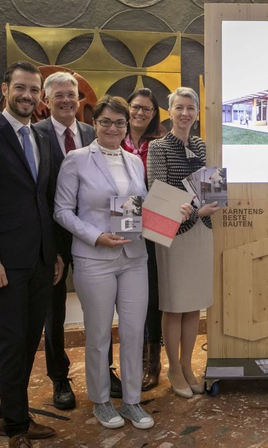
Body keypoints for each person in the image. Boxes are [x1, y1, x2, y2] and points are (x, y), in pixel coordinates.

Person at [55, 95, 190, 429]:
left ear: (126, 124)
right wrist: (95, 236)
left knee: (133, 332)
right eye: (106, 122)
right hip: (94, 258)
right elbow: (62, 211)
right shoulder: (76, 160)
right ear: (94, 124)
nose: (113, 128)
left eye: (119, 122)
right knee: (99, 334)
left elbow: (140, 208)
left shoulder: (133, 161)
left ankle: (131, 401)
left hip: (134, 258)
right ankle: (101, 401)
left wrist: (176, 211)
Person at [0, 61, 63, 448]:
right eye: (20, 87)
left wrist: (54, 252)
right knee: (12, 341)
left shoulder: (41, 137)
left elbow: (44, 201)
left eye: (34, 90)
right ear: (5, 89)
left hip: (40, 260)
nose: (27, 95)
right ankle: (17, 428)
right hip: (2, 263)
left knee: (29, 339)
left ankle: (10, 414)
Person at [147, 87, 220, 399]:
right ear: (170, 111)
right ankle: (173, 367)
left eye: (191, 108)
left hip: (203, 230)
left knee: (193, 305)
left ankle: (188, 365)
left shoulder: (203, 145)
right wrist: (194, 210)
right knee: (175, 304)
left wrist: (209, 204)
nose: (185, 113)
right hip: (173, 233)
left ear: (198, 113)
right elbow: (157, 193)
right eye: (179, 107)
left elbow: (212, 185)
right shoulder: (158, 147)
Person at [33, 71, 97, 411]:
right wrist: (51, 248)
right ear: (46, 100)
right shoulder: (35, 135)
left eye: (71, 94)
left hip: (91, 237)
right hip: (54, 241)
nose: (66, 100)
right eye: (58, 95)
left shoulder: (92, 133)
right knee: (53, 313)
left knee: (98, 308)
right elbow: (37, 196)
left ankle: (103, 371)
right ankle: (59, 378)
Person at [123, 87, 165, 391]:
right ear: (127, 108)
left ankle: (153, 362)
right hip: (121, 225)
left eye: (147, 109)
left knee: (152, 296)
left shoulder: (159, 144)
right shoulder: (113, 139)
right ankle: (133, 360)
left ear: (154, 114)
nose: (140, 113)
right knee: (128, 296)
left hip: (155, 228)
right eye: (136, 107)